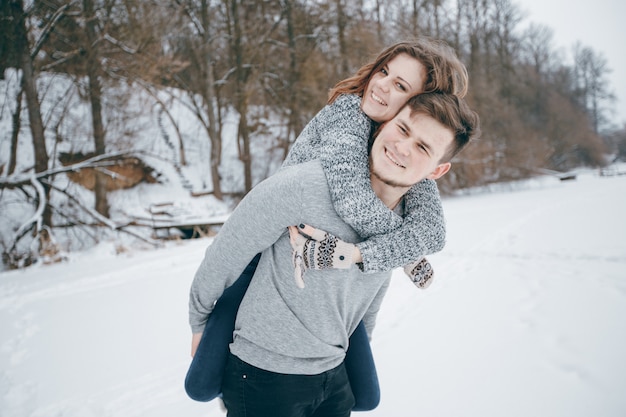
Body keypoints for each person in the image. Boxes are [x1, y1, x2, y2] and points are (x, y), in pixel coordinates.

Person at [185, 38, 469, 409]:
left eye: (400, 86)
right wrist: (199, 325)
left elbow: (428, 230)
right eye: (383, 72)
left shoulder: (403, 165)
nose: (382, 84)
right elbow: (353, 203)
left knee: (366, 395)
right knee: (207, 374)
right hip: (270, 252)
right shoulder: (349, 122)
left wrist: (403, 247)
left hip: (327, 361)